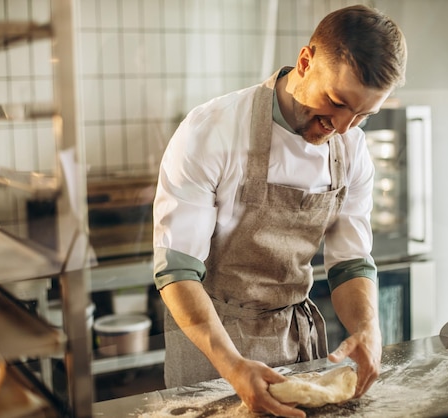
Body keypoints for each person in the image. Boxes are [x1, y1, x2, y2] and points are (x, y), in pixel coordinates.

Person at [152, 4, 407, 417]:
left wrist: (367, 329)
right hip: (214, 348)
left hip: (296, 346)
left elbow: (351, 261)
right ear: (306, 61)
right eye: (337, 102)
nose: (342, 127)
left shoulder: (350, 145)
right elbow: (177, 271)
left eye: (363, 115)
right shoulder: (211, 130)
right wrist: (233, 366)